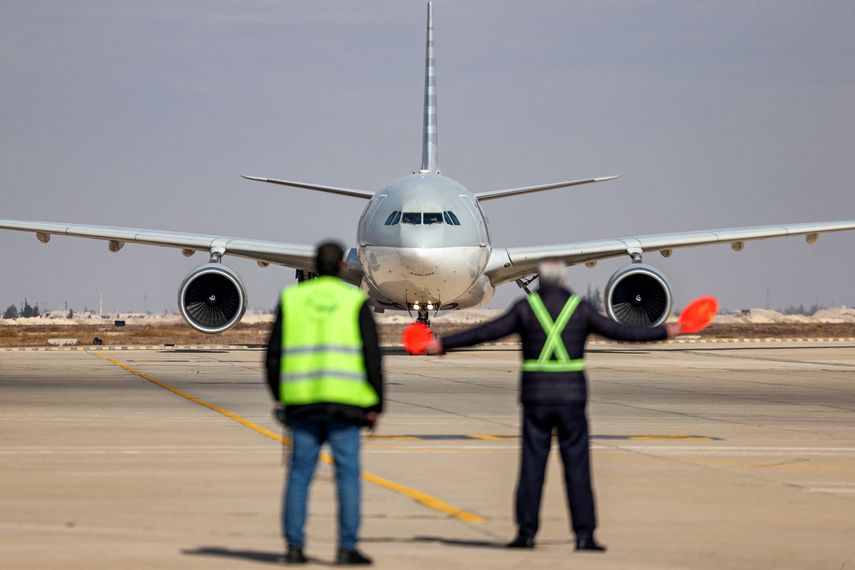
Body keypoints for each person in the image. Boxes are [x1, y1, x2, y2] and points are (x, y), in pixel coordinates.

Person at [425, 259, 681, 552]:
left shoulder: (525, 308)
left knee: (532, 469)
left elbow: (486, 333)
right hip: (572, 402)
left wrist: (444, 344)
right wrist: (665, 332)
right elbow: (621, 332)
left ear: (540, 282)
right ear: (563, 280)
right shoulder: (579, 308)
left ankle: (526, 534)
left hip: (536, 401)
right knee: (578, 470)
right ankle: (585, 536)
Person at [266, 241, 384, 565]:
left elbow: (272, 355)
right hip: (347, 406)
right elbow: (372, 357)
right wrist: (376, 404)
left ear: (314, 265)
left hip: (302, 406)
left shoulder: (292, 299)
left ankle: (293, 547)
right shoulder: (354, 300)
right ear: (344, 267)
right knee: (347, 477)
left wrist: (281, 396)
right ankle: (346, 548)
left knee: (299, 476)